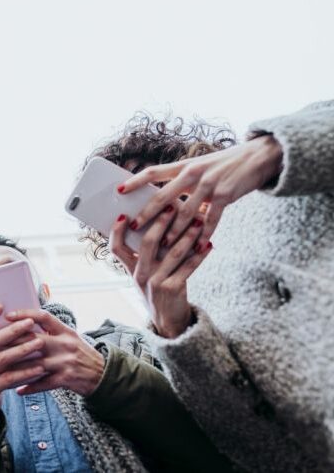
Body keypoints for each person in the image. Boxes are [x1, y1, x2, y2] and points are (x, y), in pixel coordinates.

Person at [83, 108, 334, 471]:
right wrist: (177, 331)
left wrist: (275, 150)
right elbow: (260, 449)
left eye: (144, 180)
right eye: (118, 214)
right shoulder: (182, 311)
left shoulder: (279, 179)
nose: (146, 206)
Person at [0, 235, 233, 473]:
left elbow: (209, 446)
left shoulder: (122, 343)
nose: (3, 283)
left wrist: (105, 376)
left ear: (46, 291)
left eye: (16, 273)